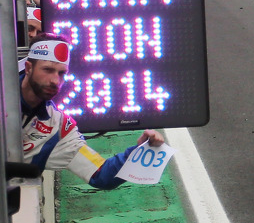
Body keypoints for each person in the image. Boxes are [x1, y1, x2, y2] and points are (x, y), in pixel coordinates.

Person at [21, 32, 165, 189]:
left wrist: (138, 151)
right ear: (28, 68)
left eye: (62, 73)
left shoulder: (58, 127)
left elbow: (101, 174)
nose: (55, 81)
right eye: (47, 70)